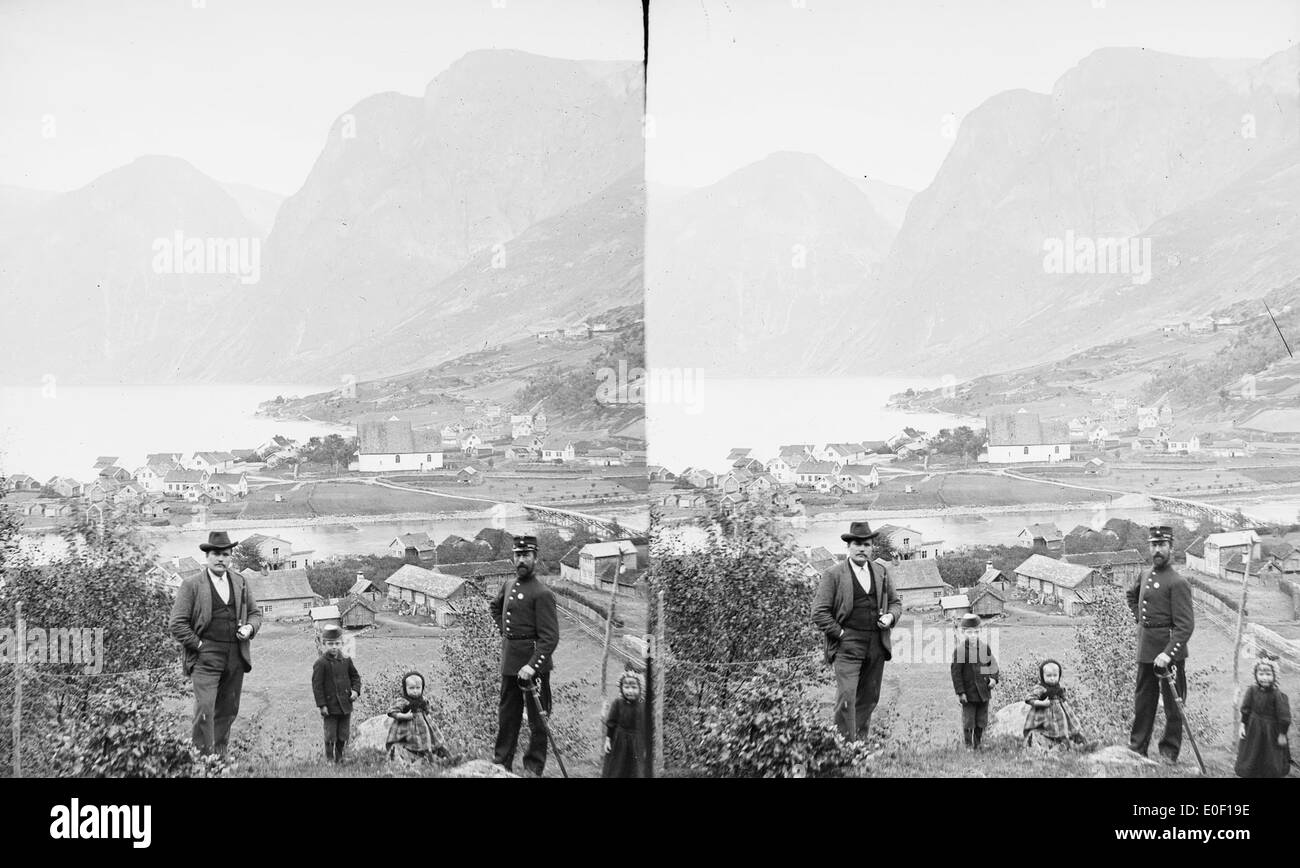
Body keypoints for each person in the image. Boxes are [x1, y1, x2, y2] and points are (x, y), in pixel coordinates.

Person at [168, 530, 262, 756]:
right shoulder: (192, 585)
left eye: (226, 554)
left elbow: (255, 614)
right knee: (205, 709)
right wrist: (199, 646)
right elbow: (177, 624)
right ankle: (201, 760)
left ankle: (219, 759)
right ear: (207, 556)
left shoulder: (240, 582)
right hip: (205, 657)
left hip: (235, 656)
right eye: (216, 554)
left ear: (230, 557)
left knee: (228, 710)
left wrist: (249, 628)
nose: (221, 559)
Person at [811, 521, 903, 742]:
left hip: (876, 645)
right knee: (846, 697)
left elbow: (895, 603)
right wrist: (841, 635)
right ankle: (843, 749)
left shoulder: (881, 572)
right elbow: (819, 612)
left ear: (872, 547)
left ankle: (859, 746)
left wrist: (890, 617)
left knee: (869, 697)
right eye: (857, 544)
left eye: (867, 544)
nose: (862, 549)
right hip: (847, 645)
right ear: (848, 547)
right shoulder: (833, 574)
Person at [489, 534, 559, 775]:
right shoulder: (508, 585)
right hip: (510, 663)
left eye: (526, 555)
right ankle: (502, 762)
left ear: (535, 558)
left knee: (539, 721)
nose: (521, 560)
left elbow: (550, 638)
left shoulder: (543, 593)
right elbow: (495, 607)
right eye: (518, 555)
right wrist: (506, 633)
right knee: (507, 715)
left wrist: (532, 666)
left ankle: (533, 766)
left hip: (534, 668)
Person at [1125, 525, 1194, 763]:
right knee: (1143, 702)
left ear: (1171, 548)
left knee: (1174, 707)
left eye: (1162, 545)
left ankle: (1169, 751)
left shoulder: (1178, 582)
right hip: (1146, 650)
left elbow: (1186, 626)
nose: (1157, 550)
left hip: (1169, 655)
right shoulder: (1145, 574)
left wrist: (1168, 654)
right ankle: (1138, 747)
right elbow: (1131, 596)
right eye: (1153, 545)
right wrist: (1141, 621)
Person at [1235, 658, 1291, 778]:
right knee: (1252, 753)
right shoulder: (1251, 690)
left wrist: (1282, 734)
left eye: (1268, 674)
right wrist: (1243, 725)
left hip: (1271, 732)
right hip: (1253, 729)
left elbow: (1284, 716)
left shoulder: (1277, 695)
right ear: (1255, 675)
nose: (1264, 678)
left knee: (1270, 756)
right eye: (1261, 674)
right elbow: (1245, 708)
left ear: (1274, 676)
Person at [312, 625, 361, 762]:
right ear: (324, 644)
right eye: (330, 644)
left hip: (345, 705)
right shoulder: (321, 663)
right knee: (330, 734)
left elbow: (355, 677)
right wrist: (322, 705)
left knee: (343, 734)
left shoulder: (346, 659)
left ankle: (339, 758)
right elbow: (317, 686)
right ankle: (329, 759)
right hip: (330, 707)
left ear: (341, 643)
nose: (334, 647)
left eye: (337, 643)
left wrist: (355, 691)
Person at [950, 613, 999, 750]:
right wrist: (961, 692)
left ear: (980, 632)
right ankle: (968, 746)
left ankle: (978, 744)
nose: (973, 635)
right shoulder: (960, 651)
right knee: (969, 721)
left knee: (981, 721)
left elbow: (992, 666)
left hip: (983, 692)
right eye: (969, 632)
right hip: (969, 694)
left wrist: (993, 678)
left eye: (976, 632)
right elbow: (956, 673)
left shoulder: (984, 648)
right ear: (963, 632)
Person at [1022, 659, 1093, 749]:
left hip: (1061, 710)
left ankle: (1082, 743)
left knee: (1070, 725)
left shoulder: (1058, 687)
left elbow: (1063, 695)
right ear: (1042, 676)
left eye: (1055, 675)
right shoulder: (1041, 688)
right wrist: (1042, 703)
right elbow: (1029, 699)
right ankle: (1062, 745)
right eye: (1048, 676)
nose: (1052, 678)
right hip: (1046, 714)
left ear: (1059, 675)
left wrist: (1065, 702)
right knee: (1056, 729)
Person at [386, 671, 452, 764]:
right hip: (408, 728)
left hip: (424, 725)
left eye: (418, 688)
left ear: (422, 688)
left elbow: (427, 709)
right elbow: (391, 712)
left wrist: (429, 718)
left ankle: (446, 758)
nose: (415, 691)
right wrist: (404, 716)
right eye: (411, 688)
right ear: (405, 688)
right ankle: (422, 760)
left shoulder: (423, 699)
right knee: (416, 744)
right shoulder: (403, 701)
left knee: (434, 740)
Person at [602, 670, 647, 778]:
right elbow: (611, 722)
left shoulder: (643, 706)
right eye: (626, 687)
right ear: (621, 688)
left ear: (640, 688)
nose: (630, 691)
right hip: (619, 741)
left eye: (634, 688)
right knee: (616, 769)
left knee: (635, 770)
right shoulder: (617, 703)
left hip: (636, 743)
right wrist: (608, 740)